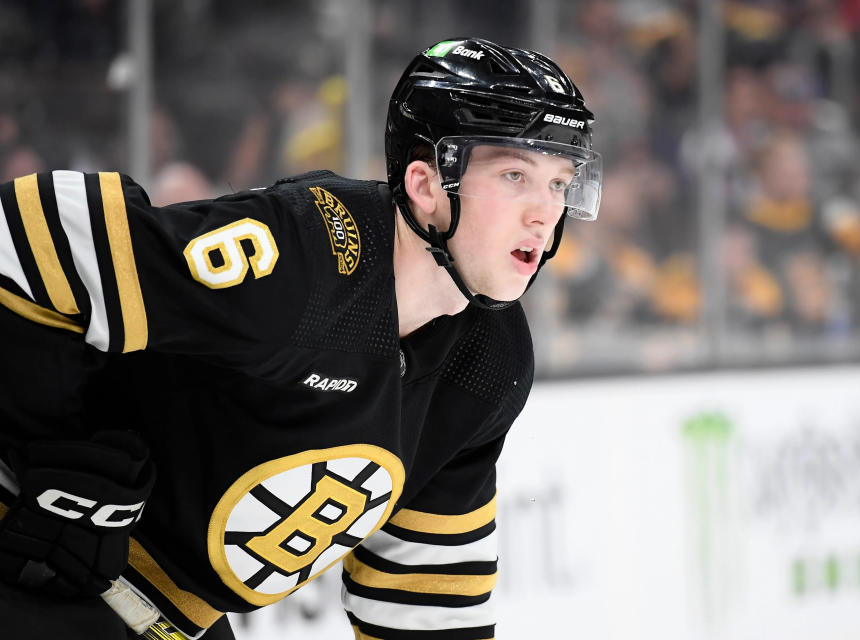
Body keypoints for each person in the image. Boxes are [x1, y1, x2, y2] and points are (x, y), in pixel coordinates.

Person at [0, 37, 602, 639]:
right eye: (515, 175)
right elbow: (24, 234)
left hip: (163, 618)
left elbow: (424, 603)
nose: (544, 212)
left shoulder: (491, 360)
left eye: (558, 183)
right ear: (425, 185)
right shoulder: (308, 260)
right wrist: (48, 440)